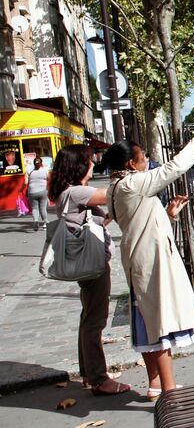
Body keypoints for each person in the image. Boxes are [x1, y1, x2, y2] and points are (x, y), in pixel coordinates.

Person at [103, 108, 194, 401]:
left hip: (140, 257)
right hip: (150, 260)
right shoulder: (133, 183)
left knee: (147, 320)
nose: (147, 161)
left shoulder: (116, 187)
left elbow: (140, 221)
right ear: (131, 164)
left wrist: (169, 215)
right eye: (143, 158)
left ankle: (155, 385)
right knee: (159, 323)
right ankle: (170, 391)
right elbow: (171, 170)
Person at [48, 145, 131, 396]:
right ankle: (98, 379)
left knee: (89, 318)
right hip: (92, 268)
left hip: (88, 266)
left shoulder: (69, 192)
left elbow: (101, 217)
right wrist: (130, 175)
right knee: (95, 320)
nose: (93, 163)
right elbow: (117, 193)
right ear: (79, 165)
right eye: (89, 160)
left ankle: (89, 373)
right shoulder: (77, 192)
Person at [21, 156, 50, 231]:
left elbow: (25, 182)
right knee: (43, 208)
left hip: (32, 192)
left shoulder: (28, 170)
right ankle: (46, 223)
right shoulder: (45, 170)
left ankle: (36, 221)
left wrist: (21, 189)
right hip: (43, 191)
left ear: (34, 163)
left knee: (35, 208)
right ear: (41, 163)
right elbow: (49, 179)